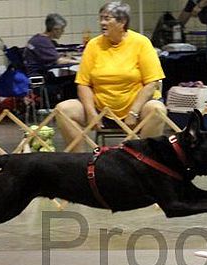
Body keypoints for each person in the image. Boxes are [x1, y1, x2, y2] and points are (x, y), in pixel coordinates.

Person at [55, 1, 166, 152]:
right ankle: (79, 161)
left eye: (107, 19)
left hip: (136, 110)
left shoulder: (141, 42)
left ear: (122, 22)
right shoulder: (93, 45)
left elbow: (152, 82)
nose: (102, 23)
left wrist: (133, 112)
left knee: (157, 109)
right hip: (101, 110)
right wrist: (91, 113)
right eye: (101, 18)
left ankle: (146, 160)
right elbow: (83, 83)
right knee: (63, 109)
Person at [23, 13, 79, 78]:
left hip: (33, 73)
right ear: (55, 29)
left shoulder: (38, 38)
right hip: (39, 76)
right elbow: (59, 61)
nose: (63, 31)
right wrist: (79, 61)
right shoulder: (43, 42)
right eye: (62, 29)